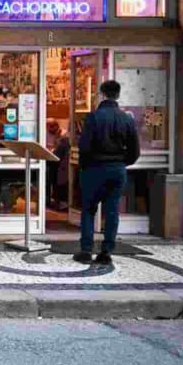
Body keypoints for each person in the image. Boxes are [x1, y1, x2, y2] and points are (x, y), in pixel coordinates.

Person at [74, 80, 140, 266]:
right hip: (117, 169)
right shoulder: (126, 118)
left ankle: (86, 250)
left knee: (88, 210)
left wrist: (83, 167)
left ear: (101, 94)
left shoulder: (93, 117)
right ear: (117, 95)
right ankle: (106, 252)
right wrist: (121, 163)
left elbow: (84, 147)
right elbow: (135, 150)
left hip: (94, 169)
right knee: (112, 211)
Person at [46, 118, 71, 211]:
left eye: (52, 126)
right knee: (48, 177)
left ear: (57, 125)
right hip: (51, 160)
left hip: (61, 163)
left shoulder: (64, 135)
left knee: (57, 179)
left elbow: (58, 150)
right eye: (48, 127)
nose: (50, 129)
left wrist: (57, 139)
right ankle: (48, 200)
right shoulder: (45, 133)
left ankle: (58, 201)